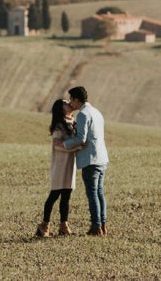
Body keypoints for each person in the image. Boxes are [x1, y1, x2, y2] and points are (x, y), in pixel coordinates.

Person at [55, 86, 109, 236]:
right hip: (102, 158)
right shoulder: (96, 112)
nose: (71, 103)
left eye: (71, 99)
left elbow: (81, 139)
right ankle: (102, 225)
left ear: (77, 100)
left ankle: (96, 227)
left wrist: (64, 144)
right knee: (99, 193)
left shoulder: (83, 114)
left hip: (91, 159)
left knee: (92, 194)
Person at [36, 99, 79, 237]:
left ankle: (63, 225)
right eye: (66, 103)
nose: (70, 103)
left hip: (70, 164)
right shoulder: (59, 126)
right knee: (54, 194)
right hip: (60, 164)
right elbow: (57, 145)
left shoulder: (73, 122)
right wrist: (76, 147)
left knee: (66, 195)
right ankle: (44, 225)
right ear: (61, 109)